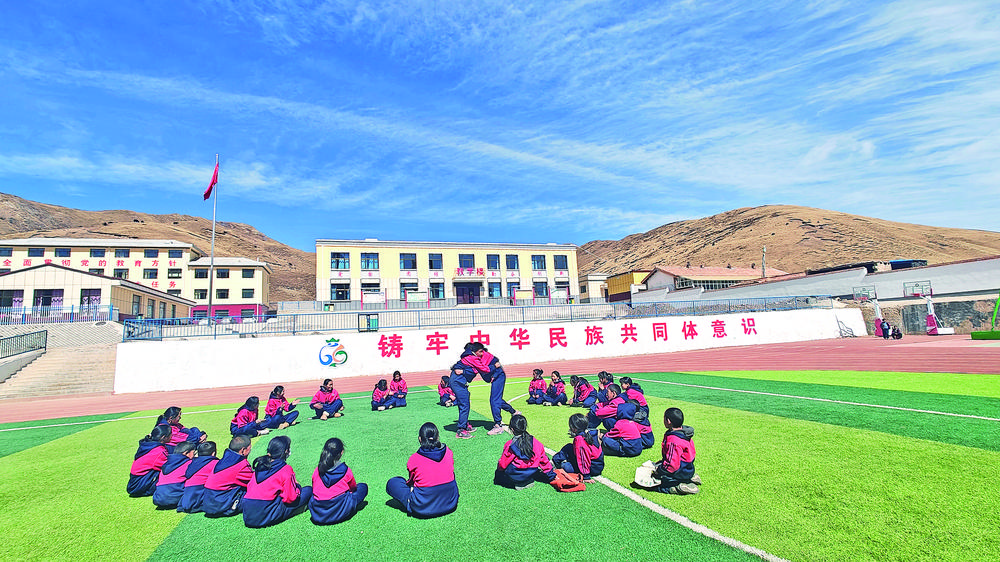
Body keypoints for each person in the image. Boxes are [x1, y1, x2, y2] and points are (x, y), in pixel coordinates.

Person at [386, 422, 459, 518]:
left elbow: (411, 482)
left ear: (420, 439)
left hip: (423, 507)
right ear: (437, 437)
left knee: (393, 483)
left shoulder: (414, 458)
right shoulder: (448, 452)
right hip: (450, 503)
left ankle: (411, 501)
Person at [243, 436, 312, 528]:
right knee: (308, 490)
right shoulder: (285, 469)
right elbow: (290, 498)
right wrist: (297, 487)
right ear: (286, 451)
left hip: (248, 514)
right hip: (265, 515)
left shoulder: (260, 466)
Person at [460, 342, 519, 435]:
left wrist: (494, 375)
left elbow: (496, 365)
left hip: (498, 377)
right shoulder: (473, 358)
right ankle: (514, 412)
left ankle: (498, 425)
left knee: (494, 400)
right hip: (493, 377)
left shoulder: (487, 356)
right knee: (497, 400)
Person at [309, 437, 368, 525]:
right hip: (340, 511)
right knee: (363, 487)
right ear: (341, 452)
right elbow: (353, 488)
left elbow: (314, 488)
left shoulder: (317, 470)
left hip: (318, 513)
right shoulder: (346, 471)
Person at [495, 414, 556, 490]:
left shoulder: (510, 444)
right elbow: (544, 460)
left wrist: (499, 472)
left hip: (515, 474)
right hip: (531, 473)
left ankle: (517, 483)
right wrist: (551, 475)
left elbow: (503, 464)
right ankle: (526, 481)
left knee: (499, 476)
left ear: (512, 429)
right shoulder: (536, 442)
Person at [651, 407, 699, 495]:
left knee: (656, 483)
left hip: (679, 471)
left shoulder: (673, 440)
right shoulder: (684, 433)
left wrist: (660, 470)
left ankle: (677, 487)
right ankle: (690, 476)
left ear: (668, 421)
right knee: (658, 465)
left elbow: (672, 465)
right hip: (688, 467)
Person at [202, 435, 253, 517]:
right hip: (221, 505)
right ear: (243, 450)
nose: (250, 450)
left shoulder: (224, 459)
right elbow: (255, 481)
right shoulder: (240, 465)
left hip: (210, 502)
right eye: (249, 448)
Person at [552, 413, 604, 482]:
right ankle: (555, 461)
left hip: (593, 468)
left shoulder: (580, 440)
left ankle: (554, 463)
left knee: (566, 466)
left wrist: (586, 476)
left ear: (574, 429)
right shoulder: (590, 433)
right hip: (598, 465)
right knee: (568, 447)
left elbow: (584, 458)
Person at [127, 425, 171, 497]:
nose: (172, 436)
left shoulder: (148, 445)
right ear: (163, 437)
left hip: (134, 481)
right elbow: (168, 467)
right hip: (139, 484)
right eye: (170, 434)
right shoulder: (158, 452)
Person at [450, 343, 482, 439]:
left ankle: (464, 424)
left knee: (464, 403)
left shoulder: (468, 358)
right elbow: (479, 369)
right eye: (480, 351)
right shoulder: (471, 358)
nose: (482, 354)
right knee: (464, 405)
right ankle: (461, 429)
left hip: (459, 382)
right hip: (457, 382)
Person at [177, 441, 219, 513]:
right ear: (213, 453)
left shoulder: (191, 463)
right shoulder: (214, 463)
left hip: (186, 498)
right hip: (198, 496)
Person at [152, 442, 197, 509]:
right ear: (186, 453)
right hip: (175, 497)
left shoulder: (166, 463)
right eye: (194, 453)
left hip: (158, 498)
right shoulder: (189, 464)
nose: (195, 455)